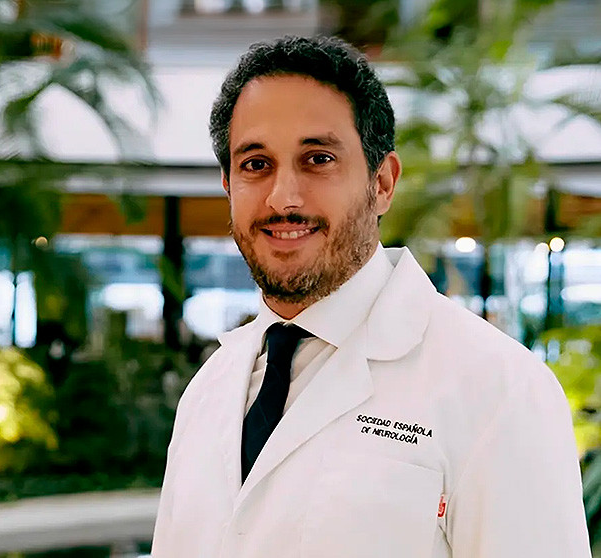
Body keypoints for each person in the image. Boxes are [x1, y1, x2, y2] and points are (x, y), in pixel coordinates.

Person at [151, 35, 589, 558]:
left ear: (382, 183)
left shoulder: (499, 389)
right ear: (228, 184)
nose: (283, 198)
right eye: (255, 164)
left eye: (318, 159)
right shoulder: (208, 392)